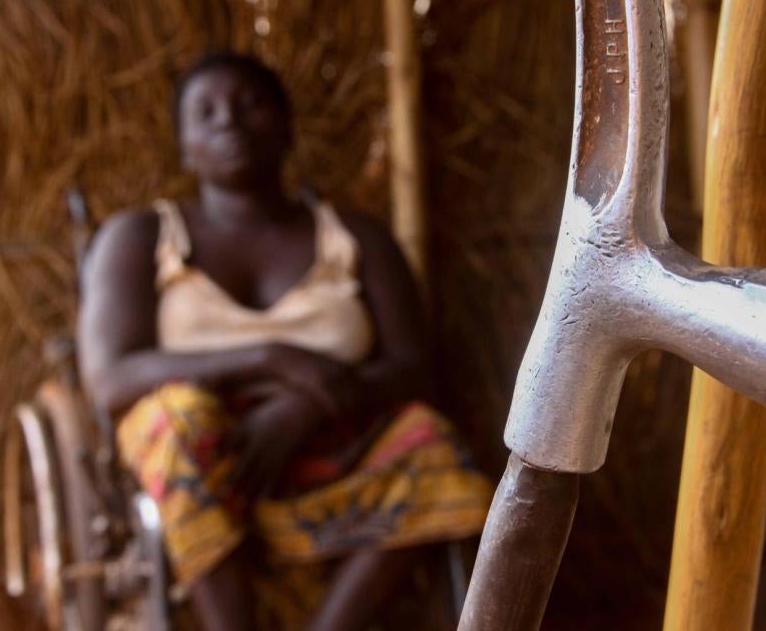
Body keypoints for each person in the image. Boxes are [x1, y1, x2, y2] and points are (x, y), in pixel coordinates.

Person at [77, 51, 493, 631]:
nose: (229, 120)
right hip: (209, 463)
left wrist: (306, 405)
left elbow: (413, 368)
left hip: (339, 448)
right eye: (206, 112)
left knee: (432, 441)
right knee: (176, 420)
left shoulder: (357, 238)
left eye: (250, 103)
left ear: (287, 126)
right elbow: (110, 378)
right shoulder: (140, 237)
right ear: (184, 147)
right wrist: (273, 359)